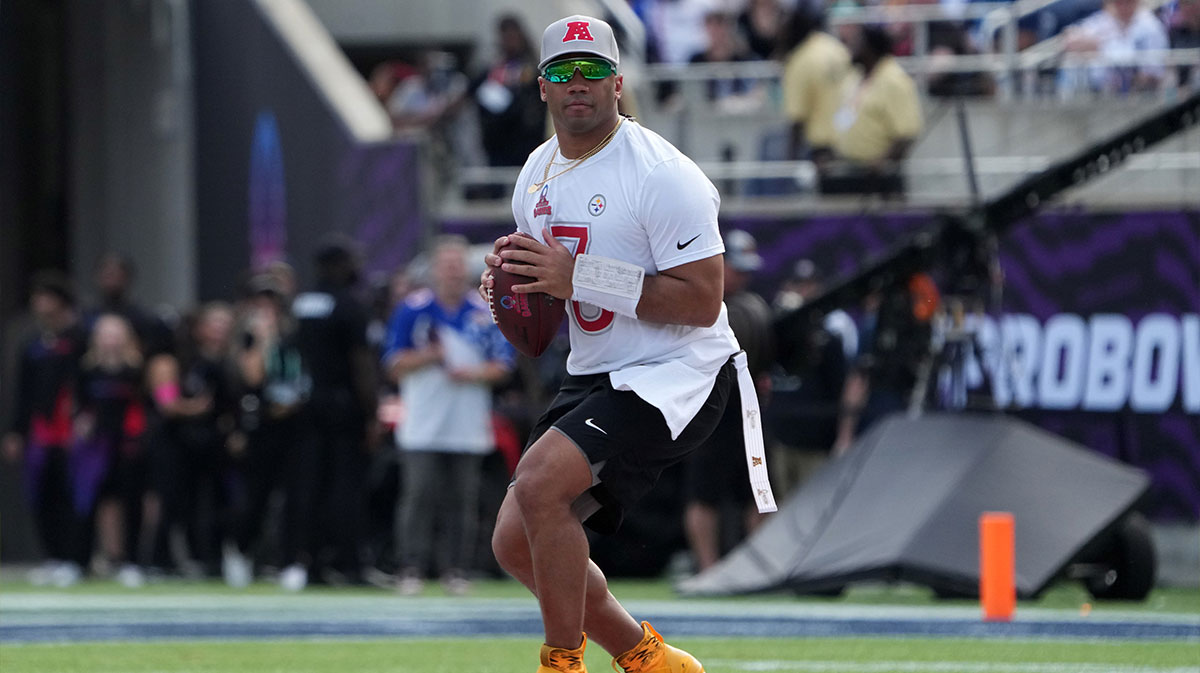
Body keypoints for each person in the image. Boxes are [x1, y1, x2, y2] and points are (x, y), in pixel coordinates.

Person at [479, 15, 774, 673]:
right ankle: (647, 657)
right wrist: (510, 287)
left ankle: (562, 661)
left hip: (680, 370)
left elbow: (701, 301)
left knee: (541, 482)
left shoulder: (664, 173)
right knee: (514, 542)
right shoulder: (536, 171)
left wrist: (577, 275)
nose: (576, 83)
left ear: (618, 83)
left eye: (591, 72)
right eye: (562, 71)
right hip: (600, 369)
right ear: (542, 87)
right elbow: (543, 308)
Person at [383, 235, 515, 596]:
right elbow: (393, 364)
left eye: (458, 266)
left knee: (463, 499)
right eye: (446, 265)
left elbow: (503, 366)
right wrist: (431, 356)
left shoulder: (482, 312)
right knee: (419, 494)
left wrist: (469, 373)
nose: (453, 273)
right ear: (435, 270)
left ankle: (457, 568)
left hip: (466, 420)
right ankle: (410, 566)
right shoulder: (413, 309)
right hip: (424, 419)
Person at [682, 230, 775, 574]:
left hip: (747, 414)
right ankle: (707, 569)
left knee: (759, 490)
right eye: (737, 268)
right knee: (704, 493)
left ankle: (755, 568)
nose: (743, 276)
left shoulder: (751, 306)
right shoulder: (695, 303)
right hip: (706, 412)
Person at [292, 236, 379, 585]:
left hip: (307, 402)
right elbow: (362, 364)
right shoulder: (350, 306)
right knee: (346, 485)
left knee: (310, 485)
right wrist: (371, 412)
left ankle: (310, 561)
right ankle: (350, 562)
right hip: (343, 405)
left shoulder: (302, 305)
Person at [226, 274, 315, 591]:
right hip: (261, 426)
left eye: (271, 303)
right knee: (255, 497)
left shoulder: (298, 336)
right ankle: (240, 550)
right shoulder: (247, 339)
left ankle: (292, 561)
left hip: (295, 425)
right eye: (259, 303)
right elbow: (252, 377)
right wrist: (264, 339)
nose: (266, 309)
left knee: (296, 497)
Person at [3, 272, 89, 586]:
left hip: (71, 431)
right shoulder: (33, 345)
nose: (39, 304)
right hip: (41, 432)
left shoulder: (81, 339)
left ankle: (76, 557)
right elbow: (23, 392)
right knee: (42, 494)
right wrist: (15, 431)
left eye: (45, 297)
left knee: (74, 494)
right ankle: (53, 556)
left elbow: (87, 383)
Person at [73, 313, 150, 587]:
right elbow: (79, 404)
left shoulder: (136, 369)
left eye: (116, 334)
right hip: (95, 447)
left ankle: (130, 561)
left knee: (131, 503)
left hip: (129, 445)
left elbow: (146, 405)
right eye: (106, 334)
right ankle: (80, 561)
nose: (111, 340)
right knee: (87, 502)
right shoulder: (87, 369)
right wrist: (82, 422)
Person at [821, 25, 924, 197]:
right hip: (847, 171)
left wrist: (884, 162)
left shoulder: (895, 80)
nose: (850, 48)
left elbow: (907, 133)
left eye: (856, 42)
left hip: (878, 179)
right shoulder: (855, 77)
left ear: (870, 47)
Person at [778, 6, 852, 163]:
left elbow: (797, 118)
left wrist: (790, 162)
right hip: (853, 142)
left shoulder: (800, 61)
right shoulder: (836, 49)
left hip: (823, 151)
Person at [1061, 0, 1170, 95]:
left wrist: (1101, 49)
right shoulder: (1103, 20)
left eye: (1128, 1)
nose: (1123, 5)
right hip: (1098, 92)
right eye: (1118, 1)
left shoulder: (1150, 25)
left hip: (1140, 94)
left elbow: (1152, 72)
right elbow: (1070, 40)